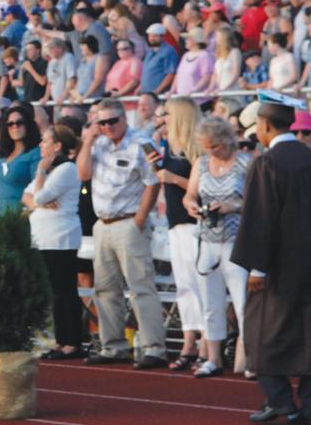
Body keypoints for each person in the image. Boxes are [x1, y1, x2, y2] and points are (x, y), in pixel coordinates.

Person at [232, 92, 311, 425]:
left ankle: (279, 400)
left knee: (260, 329)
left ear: (264, 125)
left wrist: (257, 267)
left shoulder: (267, 162)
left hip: (277, 264)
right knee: (309, 332)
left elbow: (260, 217)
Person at [76, 98, 167, 369]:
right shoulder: (98, 143)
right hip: (102, 223)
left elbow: (154, 182)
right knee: (105, 289)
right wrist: (88, 141)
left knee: (141, 287)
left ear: (124, 119)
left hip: (129, 222)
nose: (108, 126)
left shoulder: (141, 142)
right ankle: (112, 346)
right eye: (102, 122)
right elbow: (83, 174)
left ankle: (154, 348)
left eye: (113, 121)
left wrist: (139, 218)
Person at [183, 117, 250, 378]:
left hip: (238, 240)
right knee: (210, 301)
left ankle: (250, 358)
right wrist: (191, 205)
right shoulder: (201, 164)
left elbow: (258, 199)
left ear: (225, 140)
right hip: (207, 239)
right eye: (206, 147)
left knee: (243, 302)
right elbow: (190, 194)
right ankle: (213, 357)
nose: (211, 152)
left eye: (214, 147)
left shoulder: (246, 162)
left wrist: (232, 207)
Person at [154, 98, 207, 372]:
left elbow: (204, 187)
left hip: (195, 223)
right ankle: (189, 341)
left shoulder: (195, 149)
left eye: (168, 114)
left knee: (201, 285)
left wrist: (173, 179)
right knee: (184, 285)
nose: (164, 118)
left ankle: (207, 343)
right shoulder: (169, 147)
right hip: (175, 222)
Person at [23, 124, 85, 359]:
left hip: (60, 237)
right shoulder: (51, 171)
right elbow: (26, 197)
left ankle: (72, 341)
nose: (41, 145)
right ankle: (61, 339)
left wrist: (40, 174)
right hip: (43, 237)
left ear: (57, 146)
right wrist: (39, 198)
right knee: (53, 292)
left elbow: (37, 196)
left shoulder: (66, 168)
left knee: (65, 290)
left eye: (45, 141)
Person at [0, 102, 42, 209]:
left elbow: (37, 189)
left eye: (19, 122)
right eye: (10, 124)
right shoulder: (3, 155)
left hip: (21, 216)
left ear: (28, 124)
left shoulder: (35, 153)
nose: (15, 126)